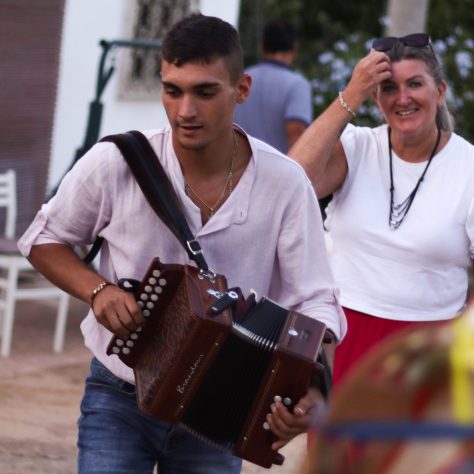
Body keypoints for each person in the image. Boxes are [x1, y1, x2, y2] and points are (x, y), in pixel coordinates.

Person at [18, 13, 346, 474]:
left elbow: (315, 296)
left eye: (205, 92)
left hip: (222, 405)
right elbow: (44, 238)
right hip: (120, 395)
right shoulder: (118, 161)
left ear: (242, 89)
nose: (185, 110)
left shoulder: (286, 183)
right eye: (172, 90)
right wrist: (98, 290)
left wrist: (310, 388)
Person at [289, 33, 474, 385]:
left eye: (415, 84)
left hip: (428, 354)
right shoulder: (357, 147)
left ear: (440, 91)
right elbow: (292, 182)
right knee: (335, 443)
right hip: (339, 341)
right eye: (388, 87)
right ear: (376, 97)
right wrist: (351, 94)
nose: (402, 98)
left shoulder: (468, 167)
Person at [233, 19, 312, 154]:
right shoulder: (297, 85)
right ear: (294, 48)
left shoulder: (241, 79)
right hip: (276, 171)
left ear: (262, 45)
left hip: (235, 167)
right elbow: (296, 135)